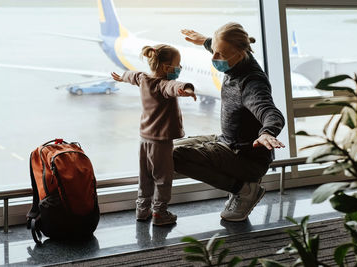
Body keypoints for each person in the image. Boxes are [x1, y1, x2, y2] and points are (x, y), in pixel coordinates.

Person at [173, 23, 285, 222]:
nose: (214, 59)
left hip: (246, 157)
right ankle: (242, 185)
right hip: (228, 140)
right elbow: (221, 47)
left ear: (240, 54)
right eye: (214, 51)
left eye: (220, 55)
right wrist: (205, 41)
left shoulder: (251, 82)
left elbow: (269, 111)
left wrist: (268, 132)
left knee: (174, 156)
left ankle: (244, 189)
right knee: (165, 149)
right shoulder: (238, 57)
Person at [111, 44, 196, 226]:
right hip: (161, 141)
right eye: (178, 65)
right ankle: (159, 213)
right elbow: (173, 86)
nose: (179, 68)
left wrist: (122, 77)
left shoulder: (143, 79)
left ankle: (142, 211)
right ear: (166, 67)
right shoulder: (162, 84)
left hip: (144, 139)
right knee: (163, 178)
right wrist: (186, 89)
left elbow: (132, 75)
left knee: (145, 176)